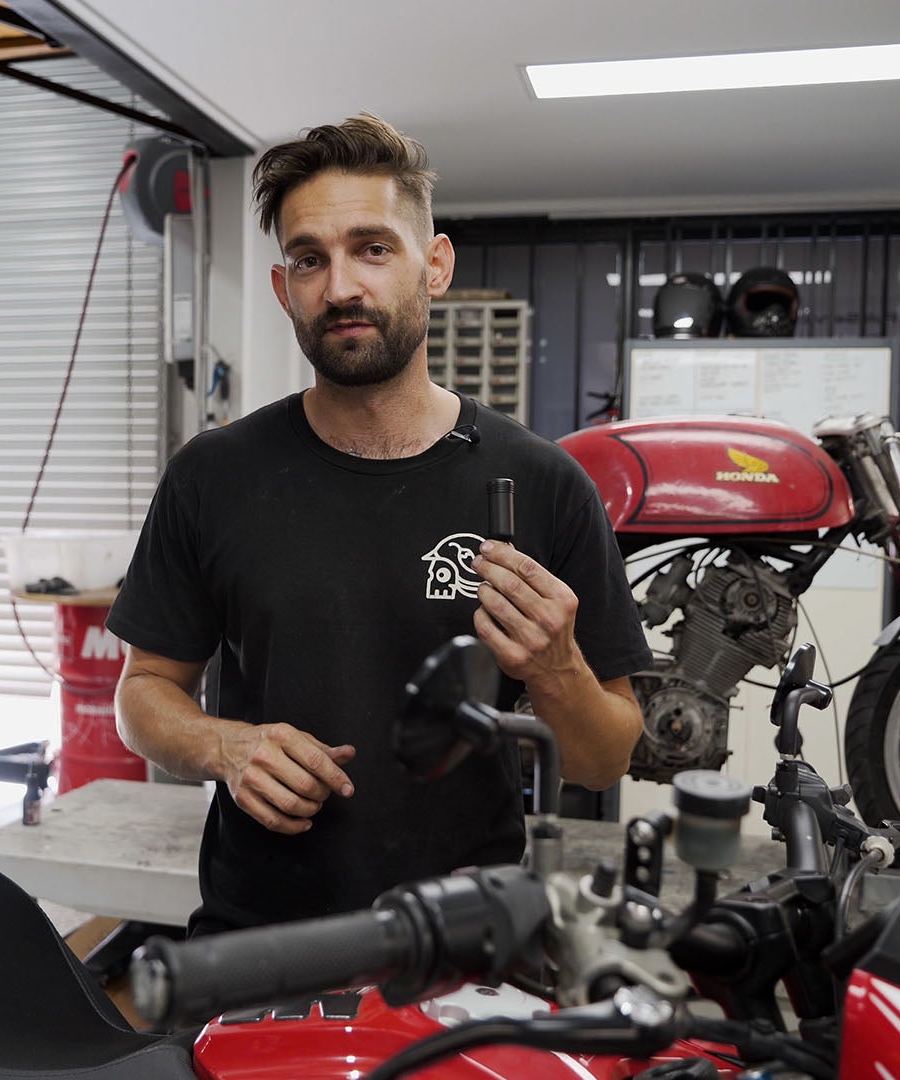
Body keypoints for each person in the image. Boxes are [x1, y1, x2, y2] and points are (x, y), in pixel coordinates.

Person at [107, 114, 650, 935]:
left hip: (467, 941)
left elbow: (605, 758)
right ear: (283, 288)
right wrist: (225, 746)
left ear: (435, 266)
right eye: (309, 259)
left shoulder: (546, 485)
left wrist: (557, 668)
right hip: (262, 940)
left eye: (372, 248)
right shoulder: (212, 477)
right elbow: (143, 692)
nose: (340, 288)